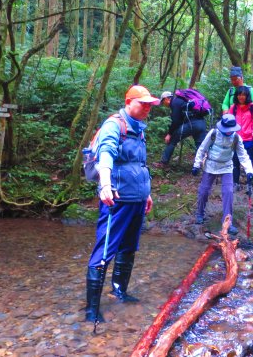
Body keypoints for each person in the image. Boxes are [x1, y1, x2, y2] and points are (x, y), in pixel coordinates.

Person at [84, 85, 160, 323]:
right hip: (116, 199)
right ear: (129, 102)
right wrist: (105, 184)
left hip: (136, 199)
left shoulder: (139, 129)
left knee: (128, 247)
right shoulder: (114, 125)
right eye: (142, 103)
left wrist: (146, 194)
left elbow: (139, 164)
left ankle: (119, 291)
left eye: (149, 104)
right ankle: (92, 310)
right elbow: (105, 154)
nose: (147, 108)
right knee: (104, 252)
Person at [192, 114, 253, 235]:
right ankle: (200, 214)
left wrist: (249, 170)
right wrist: (196, 165)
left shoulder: (236, 138)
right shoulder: (213, 134)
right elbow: (202, 149)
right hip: (211, 164)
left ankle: (227, 222)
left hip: (227, 166)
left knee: (228, 192)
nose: (228, 132)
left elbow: (243, 155)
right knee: (204, 190)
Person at [157, 90, 207, 166]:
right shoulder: (182, 100)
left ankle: (163, 163)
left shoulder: (175, 103)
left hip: (191, 124)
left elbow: (175, 121)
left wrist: (169, 134)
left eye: (163, 101)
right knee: (200, 147)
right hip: (202, 123)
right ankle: (204, 166)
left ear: (167, 99)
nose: (163, 104)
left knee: (172, 141)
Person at [228, 85, 253, 190]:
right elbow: (228, 121)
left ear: (247, 96)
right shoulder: (233, 107)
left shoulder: (252, 107)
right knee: (235, 161)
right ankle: (235, 183)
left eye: (243, 95)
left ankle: (249, 183)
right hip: (235, 138)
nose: (241, 97)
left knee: (249, 161)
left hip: (248, 138)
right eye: (239, 94)